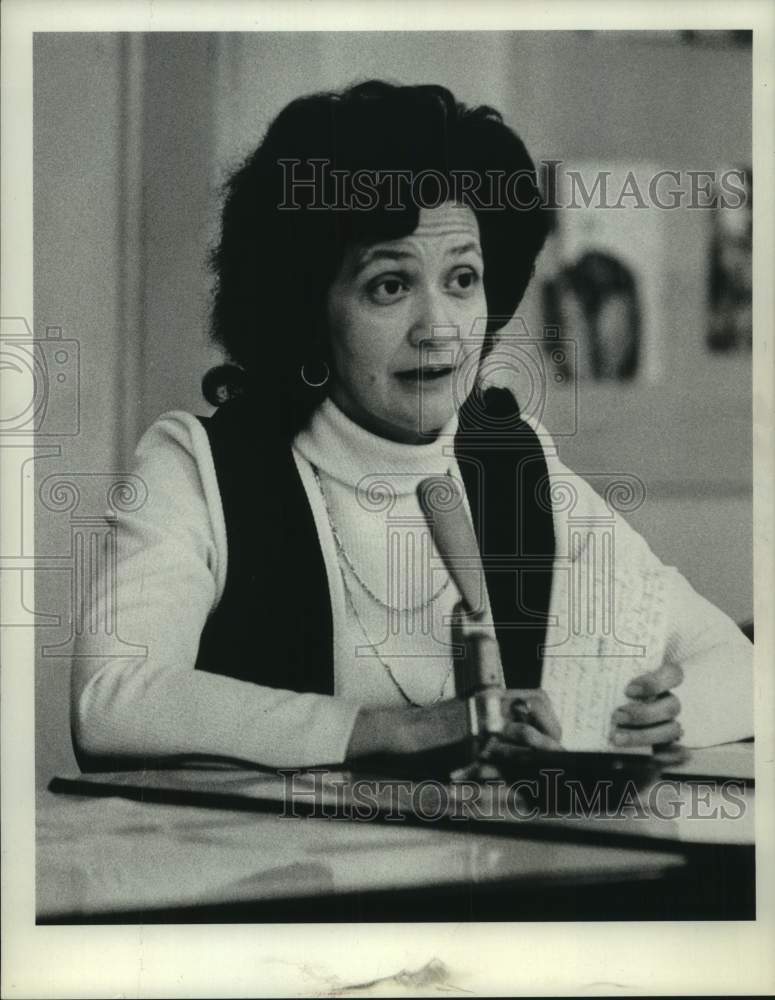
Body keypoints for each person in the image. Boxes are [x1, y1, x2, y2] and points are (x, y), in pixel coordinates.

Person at [71, 81, 753, 774]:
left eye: (461, 280)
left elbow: (741, 668)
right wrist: (385, 730)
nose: (438, 330)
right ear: (307, 308)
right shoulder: (198, 467)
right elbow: (112, 702)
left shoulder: (513, 461)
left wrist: (658, 717)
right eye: (388, 286)